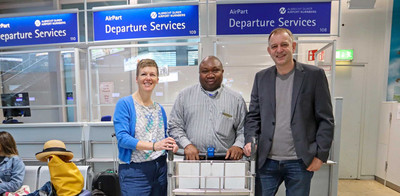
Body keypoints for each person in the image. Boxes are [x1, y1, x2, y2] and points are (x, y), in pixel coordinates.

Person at [243, 28, 335, 196]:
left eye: (284, 45)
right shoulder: (261, 78)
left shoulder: (314, 75)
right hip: (266, 161)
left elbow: (325, 119)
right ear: (269, 50)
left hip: (300, 162)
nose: (279, 50)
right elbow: (253, 116)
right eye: (274, 46)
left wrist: (320, 155)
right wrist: (249, 140)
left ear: (293, 46)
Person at [113, 59, 178, 196]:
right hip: (135, 172)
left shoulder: (159, 109)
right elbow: (123, 139)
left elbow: (162, 138)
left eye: (152, 75)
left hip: (160, 168)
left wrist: (170, 145)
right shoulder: (125, 104)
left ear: (157, 79)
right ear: (137, 78)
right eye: (144, 74)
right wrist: (154, 146)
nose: (148, 78)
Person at [168, 56, 247, 160]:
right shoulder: (184, 96)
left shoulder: (236, 99)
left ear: (222, 72)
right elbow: (175, 126)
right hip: (193, 160)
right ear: (199, 73)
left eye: (215, 70)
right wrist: (187, 145)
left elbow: (244, 128)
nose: (210, 75)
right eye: (205, 71)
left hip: (227, 161)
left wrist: (238, 145)